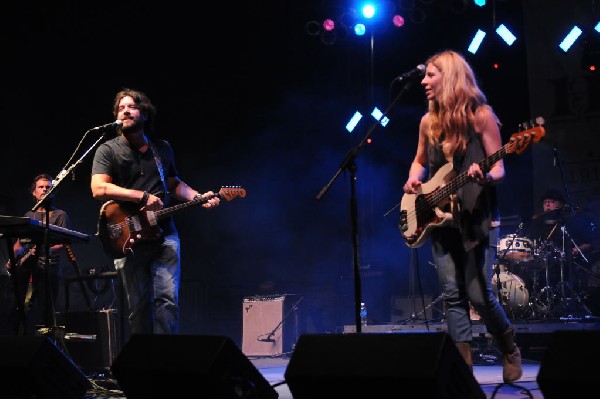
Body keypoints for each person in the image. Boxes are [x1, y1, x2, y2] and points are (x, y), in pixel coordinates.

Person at [402, 50, 522, 382]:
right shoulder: (428, 121)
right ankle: (462, 372)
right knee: (452, 296)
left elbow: (499, 167)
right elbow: (419, 161)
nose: (424, 82)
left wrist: (486, 177)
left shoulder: (481, 116)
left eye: (431, 75)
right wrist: (414, 178)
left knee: (478, 295)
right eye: (425, 76)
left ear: (451, 77)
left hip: (476, 216)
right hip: (439, 218)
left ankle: (509, 347)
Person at [91, 88, 220, 335]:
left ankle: (166, 360)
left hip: (164, 233)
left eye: (131, 107)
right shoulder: (107, 149)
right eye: (120, 108)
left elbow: (173, 183)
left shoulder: (162, 149)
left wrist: (198, 197)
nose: (125, 111)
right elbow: (98, 188)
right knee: (138, 308)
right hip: (129, 236)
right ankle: (144, 362)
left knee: (167, 302)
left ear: (145, 113)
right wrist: (142, 196)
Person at [6, 174, 71, 335]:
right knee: (16, 309)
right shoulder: (28, 215)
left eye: (48, 187)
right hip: (26, 270)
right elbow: (19, 243)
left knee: (43, 313)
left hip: (48, 271)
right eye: (41, 187)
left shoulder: (60, 215)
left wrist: (42, 250)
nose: (44, 190)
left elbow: (64, 245)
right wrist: (12, 260)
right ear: (34, 192)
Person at [527, 188, 598, 315]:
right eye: (545, 202)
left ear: (561, 204)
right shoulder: (537, 224)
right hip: (546, 263)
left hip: (571, 264)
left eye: (551, 201)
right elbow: (531, 243)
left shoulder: (573, 222)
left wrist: (577, 250)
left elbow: (591, 242)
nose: (547, 205)